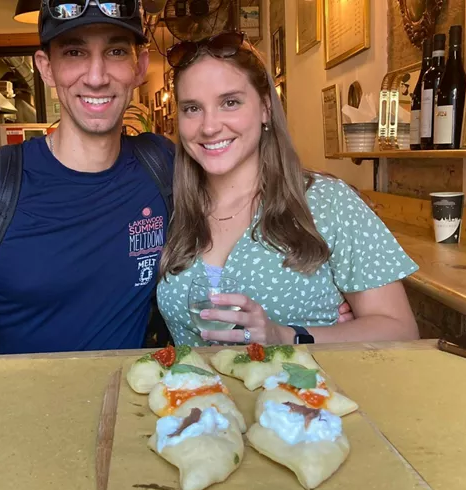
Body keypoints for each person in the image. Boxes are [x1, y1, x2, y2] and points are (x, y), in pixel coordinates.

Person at [0, 1, 352, 358]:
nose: (96, 76)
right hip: (12, 418)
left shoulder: (165, 165)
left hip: (138, 416)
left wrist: (320, 311)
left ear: (139, 66)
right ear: (46, 67)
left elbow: (240, 215)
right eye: (74, 52)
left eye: (115, 52)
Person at [156, 32, 419, 346]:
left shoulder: (328, 202)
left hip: (305, 393)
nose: (210, 126)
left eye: (230, 102)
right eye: (192, 108)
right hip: (192, 394)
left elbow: (400, 331)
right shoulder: (169, 206)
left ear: (266, 108)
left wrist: (286, 335)